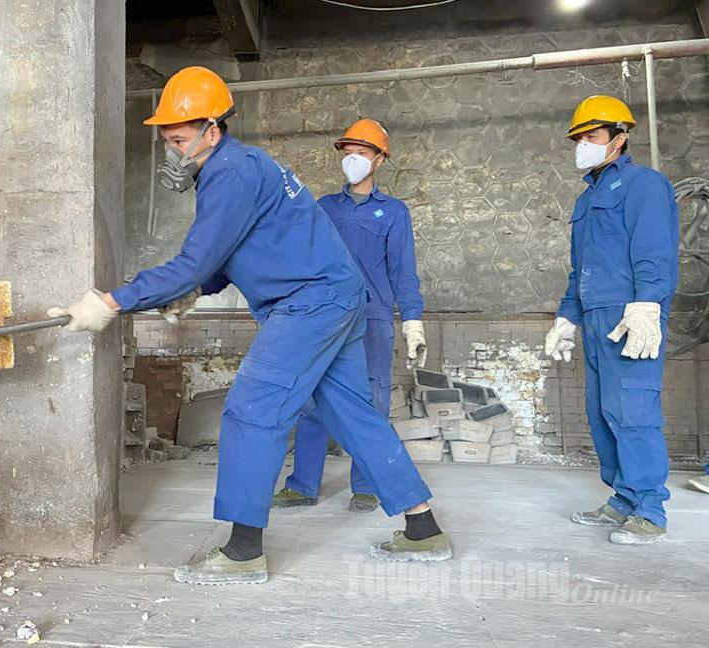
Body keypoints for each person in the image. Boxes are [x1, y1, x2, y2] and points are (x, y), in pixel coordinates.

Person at [48, 66, 453, 585]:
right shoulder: (242, 167)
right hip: (337, 296)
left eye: (177, 140)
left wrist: (111, 302)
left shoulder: (229, 174)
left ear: (211, 129)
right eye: (165, 141)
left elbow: (195, 260)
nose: (170, 153)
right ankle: (423, 528)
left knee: (251, 409)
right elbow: (225, 258)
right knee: (354, 412)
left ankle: (242, 553)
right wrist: (195, 291)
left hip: (310, 303)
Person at [543, 95, 679, 545]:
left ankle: (650, 508)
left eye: (592, 136)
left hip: (630, 317)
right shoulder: (588, 199)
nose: (583, 144)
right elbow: (579, 267)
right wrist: (567, 317)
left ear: (619, 139)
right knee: (602, 412)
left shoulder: (645, 185)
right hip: (596, 316)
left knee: (634, 411)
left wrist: (649, 304)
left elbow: (654, 250)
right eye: (579, 137)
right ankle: (621, 497)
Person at [273, 119, 427, 513]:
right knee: (313, 398)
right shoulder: (324, 207)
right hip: (324, 316)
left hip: (373, 318)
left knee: (371, 401)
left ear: (379, 160)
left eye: (361, 153)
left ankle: (367, 483)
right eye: (348, 152)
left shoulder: (393, 212)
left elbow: (403, 272)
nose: (353, 159)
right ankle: (303, 484)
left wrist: (412, 320)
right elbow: (303, 261)